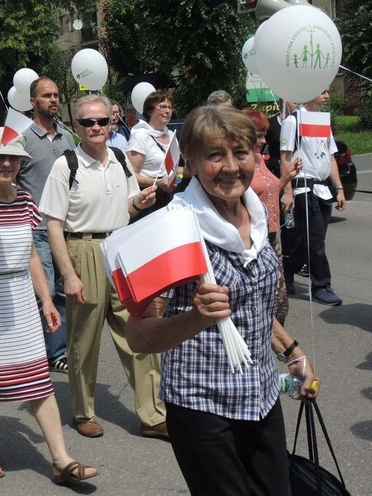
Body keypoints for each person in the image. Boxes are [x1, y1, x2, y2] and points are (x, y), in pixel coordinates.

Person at [127, 105, 319, 496]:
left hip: (262, 397)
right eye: (215, 155)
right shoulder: (171, 229)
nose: (231, 166)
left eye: (241, 152)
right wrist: (195, 318)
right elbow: (139, 337)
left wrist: (292, 351)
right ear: (193, 164)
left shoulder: (257, 213)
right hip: (202, 407)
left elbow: (253, 304)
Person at [0, 128, 98, 484]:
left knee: (37, 379)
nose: (7, 163)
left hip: (19, 299)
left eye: (14, 158)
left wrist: (45, 300)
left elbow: (30, 255)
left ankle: (60, 458)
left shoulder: (25, 201)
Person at [40, 95, 167, 439]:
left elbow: (128, 206)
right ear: (76, 126)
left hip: (121, 248)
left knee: (138, 332)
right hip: (84, 249)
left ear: (111, 124)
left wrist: (140, 202)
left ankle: (153, 415)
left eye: (102, 121)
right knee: (84, 338)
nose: (96, 127)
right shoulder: (66, 165)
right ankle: (83, 412)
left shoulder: (121, 158)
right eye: (87, 122)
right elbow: (53, 224)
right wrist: (67, 273)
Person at [18, 76, 75, 374]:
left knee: (65, 291)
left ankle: (59, 348)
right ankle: (50, 351)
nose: (53, 100)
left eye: (55, 95)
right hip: (37, 229)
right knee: (46, 291)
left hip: (65, 227)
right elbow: (10, 183)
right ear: (33, 102)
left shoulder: (67, 137)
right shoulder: (23, 140)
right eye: (46, 96)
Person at [280, 88, 345, 305]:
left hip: (322, 189)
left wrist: (339, 188)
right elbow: (285, 157)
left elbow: (331, 157)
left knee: (311, 240)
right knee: (316, 241)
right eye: (322, 91)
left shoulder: (322, 121)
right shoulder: (293, 121)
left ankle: (287, 269)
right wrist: (287, 191)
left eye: (328, 91)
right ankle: (321, 286)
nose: (327, 95)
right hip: (303, 189)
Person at [243, 108, 301, 325]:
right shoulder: (239, 163)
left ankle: (269, 345)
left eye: (264, 135)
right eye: (258, 135)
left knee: (280, 301)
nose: (263, 140)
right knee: (264, 300)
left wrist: (287, 176)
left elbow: (270, 189)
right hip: (254, 238)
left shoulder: (259, 158)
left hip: (271, 235)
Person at [126, 90, 177, 210]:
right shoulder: (140, 136)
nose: (168, 111)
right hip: (148, 198)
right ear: (150, 111)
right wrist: (158, 183)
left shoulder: (170, 134)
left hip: (169, 196)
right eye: (162, 107)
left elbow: (171, 167)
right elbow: (130, 174)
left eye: (170, 107)